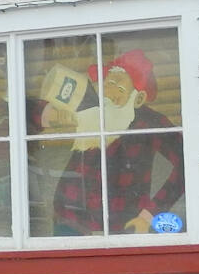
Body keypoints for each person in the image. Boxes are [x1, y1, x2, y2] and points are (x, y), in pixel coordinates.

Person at [43, 50, 184, 235]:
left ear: (138, 98)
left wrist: (149, 215)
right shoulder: (93, 110)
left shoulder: (150, 123)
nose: (108, 93)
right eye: (107, 84)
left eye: (119, 89)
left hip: (122, 223)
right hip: (71, 216)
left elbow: (186, 164)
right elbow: (45, 113)